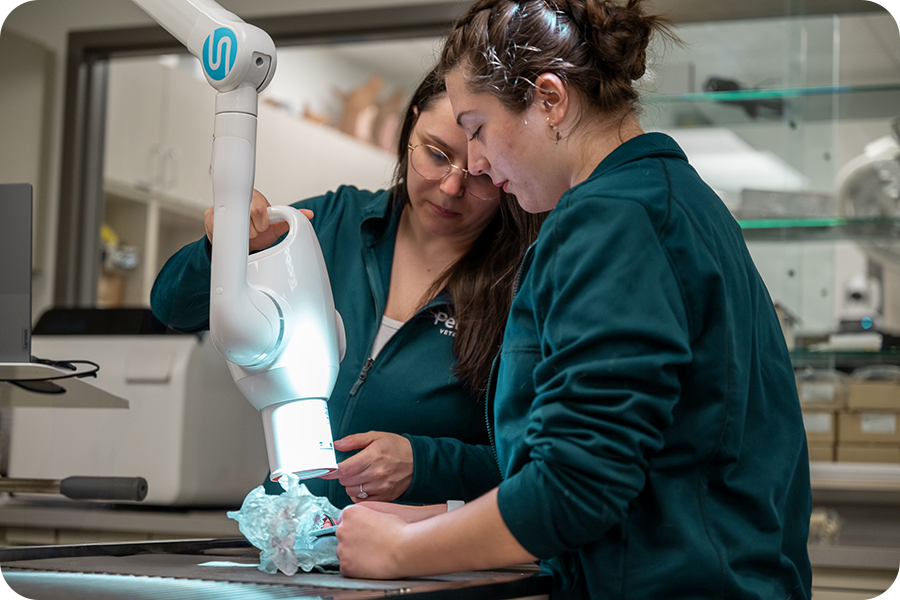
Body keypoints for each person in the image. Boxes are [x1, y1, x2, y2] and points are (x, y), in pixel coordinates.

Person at [333, 1, 813, 598]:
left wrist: (404, 552)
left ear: (550, 100)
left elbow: (577, 485)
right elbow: (639, 474)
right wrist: (440, 522)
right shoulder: (673, 200)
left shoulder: (610, 219)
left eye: (478, 128)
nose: (476, 161)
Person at [150, 67, 545, 509]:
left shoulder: (523, 280)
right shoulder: (333, 224)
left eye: (479, 173)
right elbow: (172, 308)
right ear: (409, 125)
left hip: (419, 556)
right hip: (294, 535)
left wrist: (425, 462)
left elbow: (539, 467)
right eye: (435, 155)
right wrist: (223, 247)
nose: (452, 187)